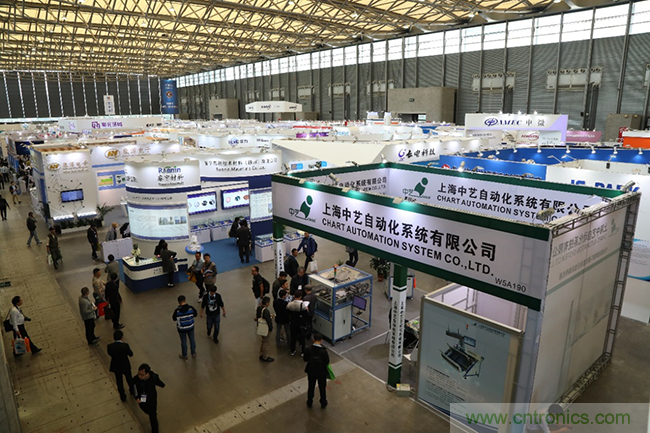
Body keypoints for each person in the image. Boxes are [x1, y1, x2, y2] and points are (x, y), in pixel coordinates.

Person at [132, 363, 165, 433]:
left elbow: (159, 382)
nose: (139, 376)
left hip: (151, 398)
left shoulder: (153, 377)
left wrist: (162, 384)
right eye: (139, 374)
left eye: (142, 375)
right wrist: (137, 397)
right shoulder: (136, 379)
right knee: (144, 408)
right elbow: (134, 388)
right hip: (142, 397)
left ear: (147, 374)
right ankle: (149, 412)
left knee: (153, 417)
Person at [304, 332, 330, 409]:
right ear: (321, 340)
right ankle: (323, 402)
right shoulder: (323, 351)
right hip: (321, 372)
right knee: (322, 388)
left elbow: (305, 359)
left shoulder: (308, 349)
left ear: (313, 339)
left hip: (311, 371)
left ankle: (309, 401)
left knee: (311, 386)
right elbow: (327, 362)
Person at [107, 330, 134, 402]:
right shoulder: (125, 346)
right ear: (122, 337)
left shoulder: (110, 346)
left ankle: (123, 396)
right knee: (129, 378)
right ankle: (132, 390)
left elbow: (110, 354)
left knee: (119, 381)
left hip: (116, 366)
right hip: (125, 365)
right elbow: (131, 354)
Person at [172, 295, 198, 360]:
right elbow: (195, 314)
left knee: (183, 341)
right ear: (185, 300)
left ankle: (185, 355)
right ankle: (193, 353)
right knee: (192, 339)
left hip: (181, 328)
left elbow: (174, 318)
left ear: (178, 302)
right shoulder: (190, 308)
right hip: (190, 327)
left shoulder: (177, 311)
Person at [288, 290, 309, 356]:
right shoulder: (302, 305)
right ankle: (302, 351)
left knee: (293, 337)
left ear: (294, 296)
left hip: (293, 323)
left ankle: (292, 350)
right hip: (301, 323)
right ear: (300, 297)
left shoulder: (290, 304)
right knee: (302, 338)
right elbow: (306, 315)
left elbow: (288, 313)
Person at [256, 296, 274, 362]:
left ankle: (261, 354)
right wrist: (271, 328)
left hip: (261, 327)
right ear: (267, 303)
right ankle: (265, 356)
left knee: (263, 341)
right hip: (265, 327)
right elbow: (268, 320)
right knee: (266, 343)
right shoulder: (266, 311)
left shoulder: (259, 308)